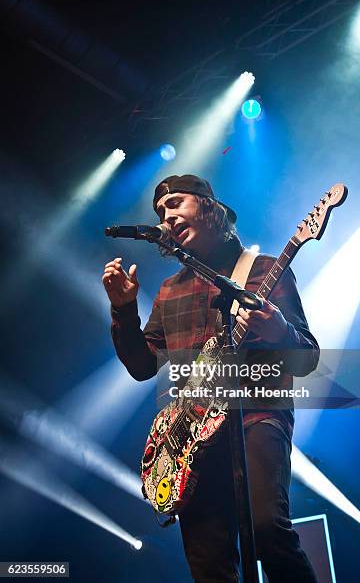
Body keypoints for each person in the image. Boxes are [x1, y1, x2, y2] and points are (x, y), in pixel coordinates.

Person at [102, 174, 319, 583]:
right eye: (161, 210)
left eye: (176, 203)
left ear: (209, 207)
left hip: (257, 413)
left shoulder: (264, 271)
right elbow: (143, 366)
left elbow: (307, 357)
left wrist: (278, 332)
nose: (166, 214)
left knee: (267, 530)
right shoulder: (168, 290)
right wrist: (124, 310)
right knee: (208, 563)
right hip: (192, 439)